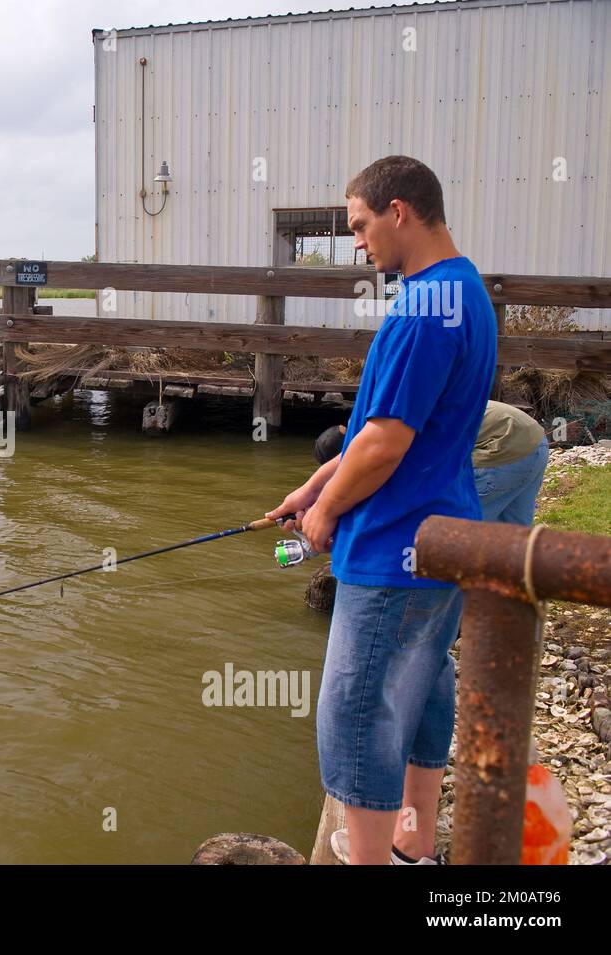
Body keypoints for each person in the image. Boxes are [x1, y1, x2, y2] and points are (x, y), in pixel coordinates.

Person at [266, 156, 497, 865]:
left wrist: (326, 511)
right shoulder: (466, 292)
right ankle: (414, 844)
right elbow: (382, 426)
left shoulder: (424, 309)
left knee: (355, 712)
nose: (356, 244)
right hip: (443, 537)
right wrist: (312, 486)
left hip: (391, 550)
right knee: (424, 683)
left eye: (361, 226)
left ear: (399, 211)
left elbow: (386, 444)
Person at [314, 400, 549, 525]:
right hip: (534, 438)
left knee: (455, 532)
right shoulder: (377, 421)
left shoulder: (385, 443)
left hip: (503, 446)